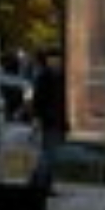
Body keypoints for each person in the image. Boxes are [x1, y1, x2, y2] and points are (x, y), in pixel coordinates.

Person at [30, 48, 68, 193]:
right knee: (48, 155)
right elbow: (38, 101)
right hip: (49, 121)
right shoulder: (46, 77)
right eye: (54, 59)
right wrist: (38, 118)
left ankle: (44, 183)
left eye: (58, 60)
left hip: (54, 121)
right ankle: (43, 185)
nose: (57, 62)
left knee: (50, 154)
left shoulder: (58, 77)